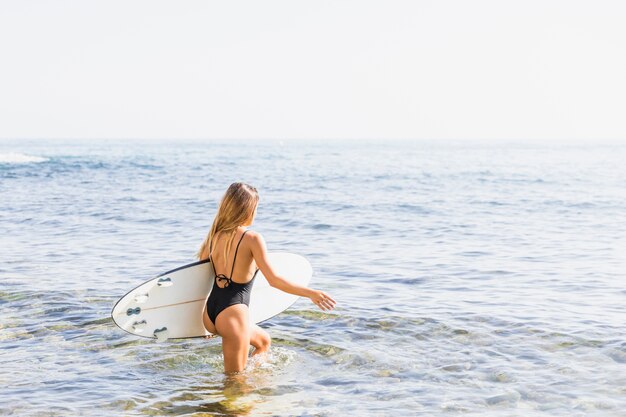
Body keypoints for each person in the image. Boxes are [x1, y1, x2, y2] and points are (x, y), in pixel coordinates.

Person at [197, 182, 336, 373]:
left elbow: (199, 278)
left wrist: (206, 325)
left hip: (210, 314)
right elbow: (274, 280)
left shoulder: (214, 235)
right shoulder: (252, 238)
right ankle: (239, 397)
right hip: (233, 313)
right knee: (235, 381)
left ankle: (258, 386)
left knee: (263, 342)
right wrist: (311, 293)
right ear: (248, 208)